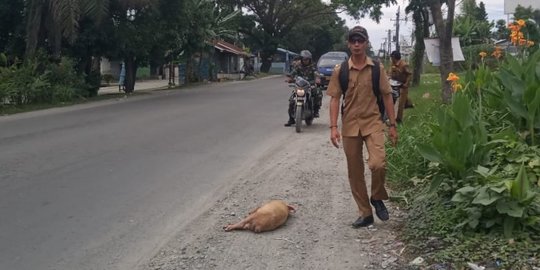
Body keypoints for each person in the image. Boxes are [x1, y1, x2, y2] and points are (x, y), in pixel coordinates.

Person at [326, 26, 398, 228]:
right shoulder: (341, 70)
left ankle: (377, 196)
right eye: (353, 41)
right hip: (350, 126)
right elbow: (334, 99)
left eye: (360, 40)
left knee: (378, 163)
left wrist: (392, 125)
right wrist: (333, 127)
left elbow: (386, 95)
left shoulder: (377, 68)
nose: (357, 44)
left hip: (373, 122)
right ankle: (365, 213)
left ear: (366, 43)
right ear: (349, 44)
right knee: (355, 172)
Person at [284, 50, 322, 126]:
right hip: (300, 85)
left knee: (318, 93)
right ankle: (291, 119)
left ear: (310, 59)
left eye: (307, 59)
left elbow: (317, 73)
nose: (305, 61)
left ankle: (316, 110)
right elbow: (293, 73)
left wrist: (317, 79)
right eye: (304, 59)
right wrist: (289, 79)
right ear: (301, 59)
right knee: (292, 100)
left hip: (310, 85)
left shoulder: (313, 66)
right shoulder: (298, 66)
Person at [389, 50, 413, 124]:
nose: (391, 59)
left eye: (391, 57)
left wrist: (406, 83)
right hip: (394, 84)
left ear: (394, 57)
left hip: (403, 85)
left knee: (400, 103)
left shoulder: (403, 65)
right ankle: (408, 103)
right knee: (393, 100)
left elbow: (409, 74)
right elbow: (389, 72)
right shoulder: (393, 64)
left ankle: (399, 119)